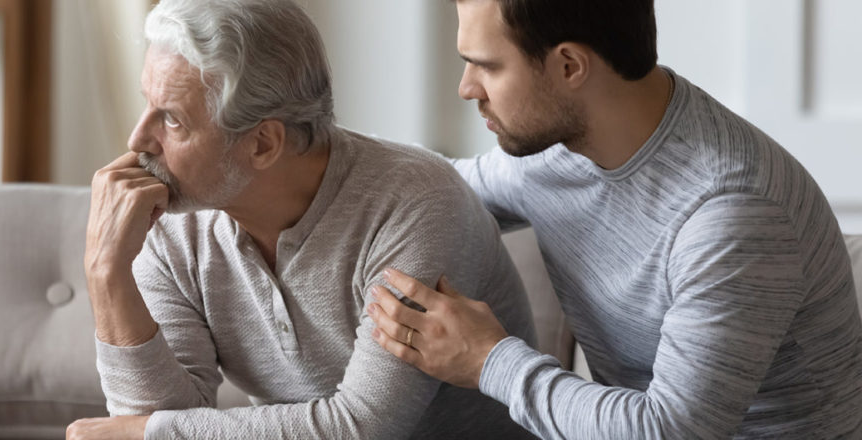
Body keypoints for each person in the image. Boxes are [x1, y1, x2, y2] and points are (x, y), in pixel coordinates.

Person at [367, 0, 862, 438]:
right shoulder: (554, 155)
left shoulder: (730, 214)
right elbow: (436, 188)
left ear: (568, 65)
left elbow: (667, 431)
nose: (466, 88)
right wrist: (316, 148)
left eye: (487, 67)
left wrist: (485, 359)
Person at [65, 0, 537, 438]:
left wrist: (154, 434)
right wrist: (107, 275)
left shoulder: (414, 203)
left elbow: (364, 427)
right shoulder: (173, 213)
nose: (137, 140)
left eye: (172, 120)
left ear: (263, 144)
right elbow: (158, 418)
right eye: (147, 103)